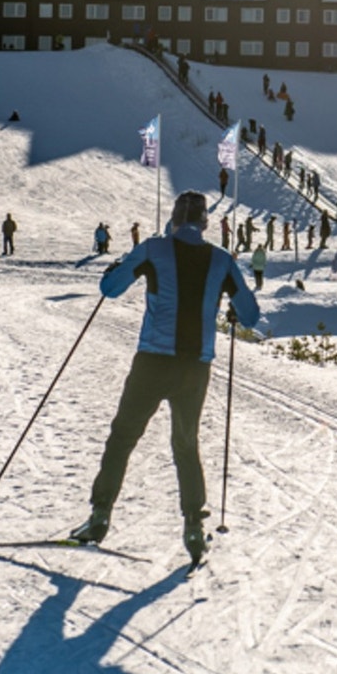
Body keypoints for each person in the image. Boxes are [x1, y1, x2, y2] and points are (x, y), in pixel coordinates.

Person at [72, 191, 261, 564]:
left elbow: (109, 290)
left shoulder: (153, 249)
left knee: (123, 436)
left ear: (173, 220)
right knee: (186, 444)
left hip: (152, 362)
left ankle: (99, 516)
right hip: (195, 367)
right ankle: (193, 526)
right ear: (206, 222)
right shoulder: (221, 260)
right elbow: (251, 316)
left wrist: (115, 269)